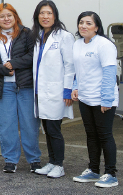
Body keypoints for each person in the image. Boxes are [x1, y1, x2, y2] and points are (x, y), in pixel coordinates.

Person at [0, 3, 40, 173]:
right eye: (2, 16)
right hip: (3, 86)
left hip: (25, 85)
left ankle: (34, 159)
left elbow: (32, 56)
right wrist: (0, 67)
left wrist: (13, 63)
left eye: (9, 16)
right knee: (7, 125)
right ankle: (11, 160)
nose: (6, 19)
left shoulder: (26, 33)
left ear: (15, 17)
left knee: (29, 123)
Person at [71, 11, 119, 188]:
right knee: (91, 135)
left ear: (97, 27)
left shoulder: (104, 45)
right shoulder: (77, 44)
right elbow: (78, 68)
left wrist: (107, 99)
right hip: (85, 97)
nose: (84, 26)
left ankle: (111, 174)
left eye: (89, 23)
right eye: (81, 22)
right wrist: (75, 86)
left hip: (102, 99)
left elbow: (109, 73)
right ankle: (93, 170)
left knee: (104, 135)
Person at [30, 0, 74, 179]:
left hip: (56, 91)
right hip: (41, 90)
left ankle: (59, 164)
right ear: (37, 16)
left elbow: (70, 65)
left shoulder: (64, 36)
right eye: (42, 13)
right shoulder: (38, 35)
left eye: (48, 13)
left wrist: (67, 90)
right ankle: (52, 161)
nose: (45, 16)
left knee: (54, 129)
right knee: (47, 128)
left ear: (55, 15)